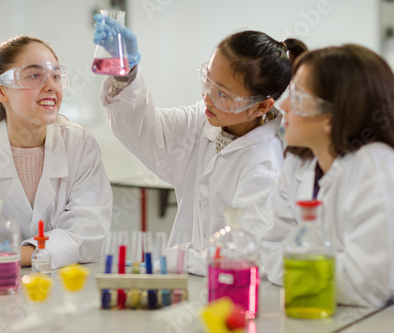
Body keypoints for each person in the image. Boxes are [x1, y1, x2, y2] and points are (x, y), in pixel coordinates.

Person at [93, 15, 307, 275]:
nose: (207, 97)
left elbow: (245, 253)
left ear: (262, 106)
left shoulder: (265, 164)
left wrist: (173, 262)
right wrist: (124, 71)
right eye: (207, 80)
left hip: (228, 291)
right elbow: (140, 130)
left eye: (223, 94)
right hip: (185, 283)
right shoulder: (201, 122)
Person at [261, 44, 394, 307]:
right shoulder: (299, 164)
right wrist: (319, 271)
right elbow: (268, 250)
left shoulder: (377, 166)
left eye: (297, 96)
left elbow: (371, 285)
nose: (284, 105)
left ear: (332, 115)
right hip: (329, 308)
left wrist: (298, 267)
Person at [0, 35, 112, 271]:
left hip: (58, 290)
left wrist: (9, 254)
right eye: (35, 75)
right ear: (1, 92)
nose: (51, 86)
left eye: (56, 76)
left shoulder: (79, 143)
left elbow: (88, 232)